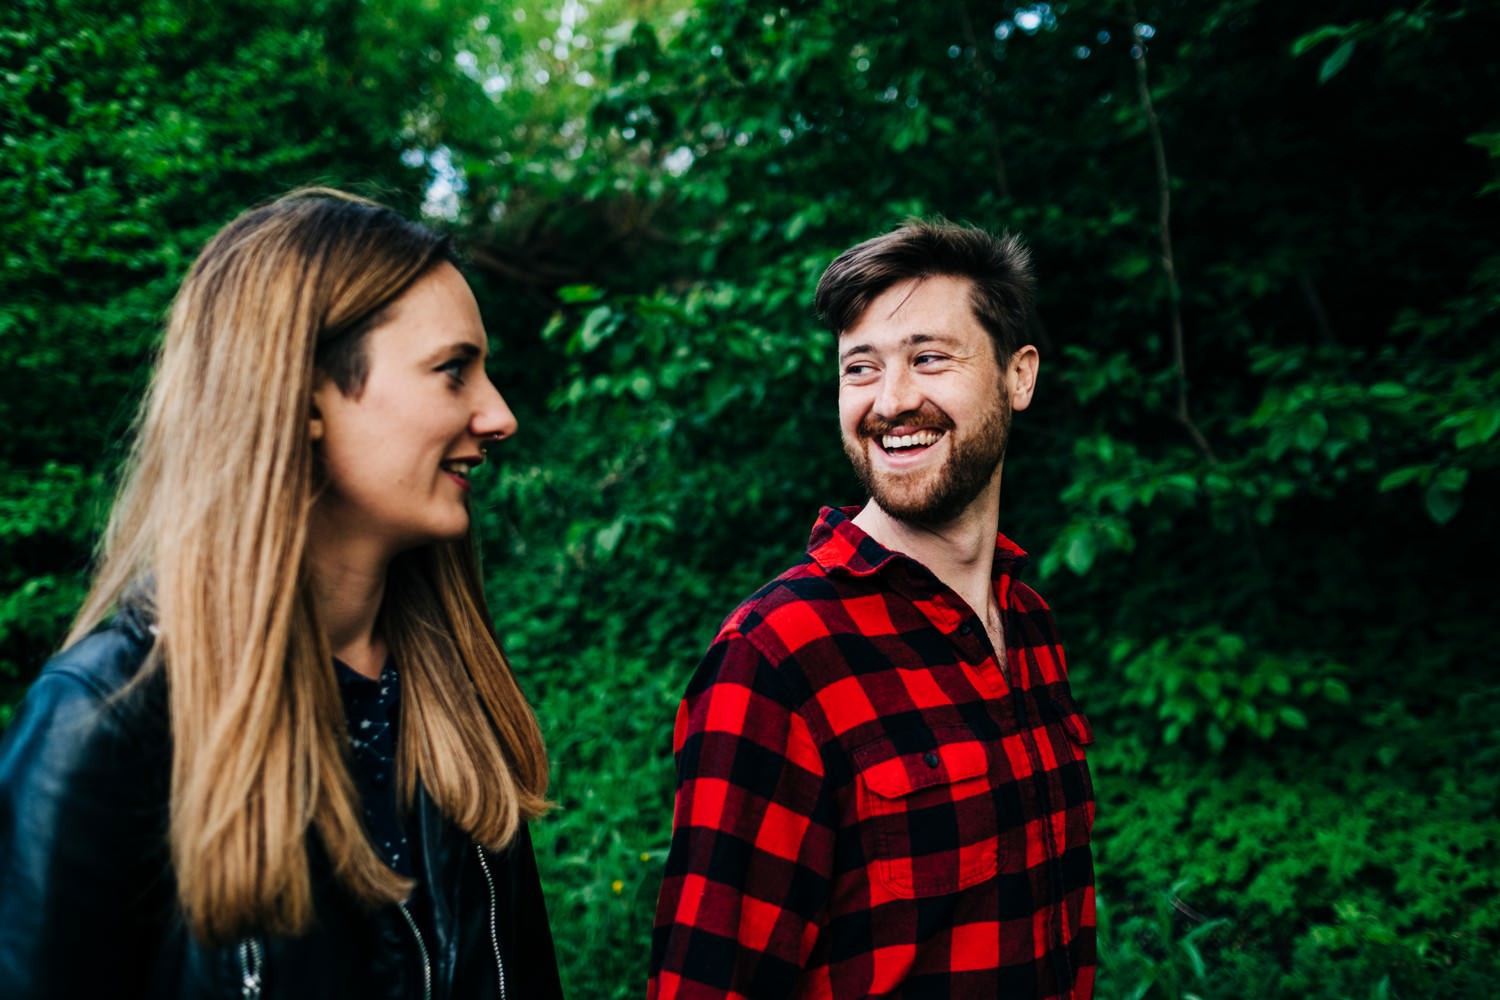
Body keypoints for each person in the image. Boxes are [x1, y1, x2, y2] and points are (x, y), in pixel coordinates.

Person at [0, 188, 563, 999]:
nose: (499, 414)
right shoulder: (102, 725)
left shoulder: (453, 707)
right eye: (452, 372)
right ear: (302, 396)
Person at [648, 221, 1096, 998]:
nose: (892, 402)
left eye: (929, 358)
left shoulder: (1027, 621)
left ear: (1018, 377)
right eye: (862, 368)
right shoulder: (778, 655)